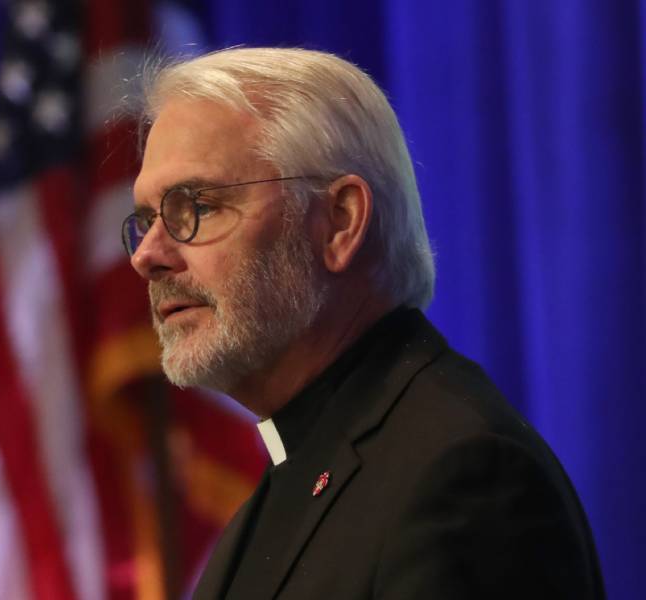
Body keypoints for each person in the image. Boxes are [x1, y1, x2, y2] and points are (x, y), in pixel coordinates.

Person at [122, 47, 605, 599]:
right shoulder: (287, 484)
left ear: (340, 222)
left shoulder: (464, 477)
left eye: (197, 206)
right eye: (145, 220)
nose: (148, 255)